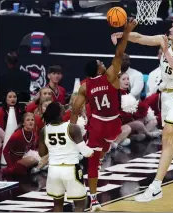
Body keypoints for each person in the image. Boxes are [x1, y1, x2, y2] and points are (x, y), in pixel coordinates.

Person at [111, 18, 173, 210]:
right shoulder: (163, 39)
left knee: (167, 139)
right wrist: (124, 35)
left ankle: (156, 186)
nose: (171, 29)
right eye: (172, 26)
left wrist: (167, 52)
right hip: (166, 97)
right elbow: (141, 38)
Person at [70, 19, 137, 212]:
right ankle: (94, 197)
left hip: (97, 124)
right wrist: (126, 32)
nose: (102, 62)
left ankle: (93, 199)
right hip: (113, 124)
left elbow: (75, 110)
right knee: (103, 150)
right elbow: (119, 53)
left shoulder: (84, 87)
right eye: (100, 62)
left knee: (94, 159)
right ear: (99, 69)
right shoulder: (110, 75)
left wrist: (72, 131)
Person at [38, 102, 94, 212]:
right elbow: (85, 152)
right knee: (80, 203)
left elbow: (42, 153)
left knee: (57, 205)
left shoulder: (44, 130)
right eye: (62, 107)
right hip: (71, 169)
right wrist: (96, 151)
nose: (65, 107)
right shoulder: (72, 128)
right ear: (60, 112)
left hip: (53, 170)